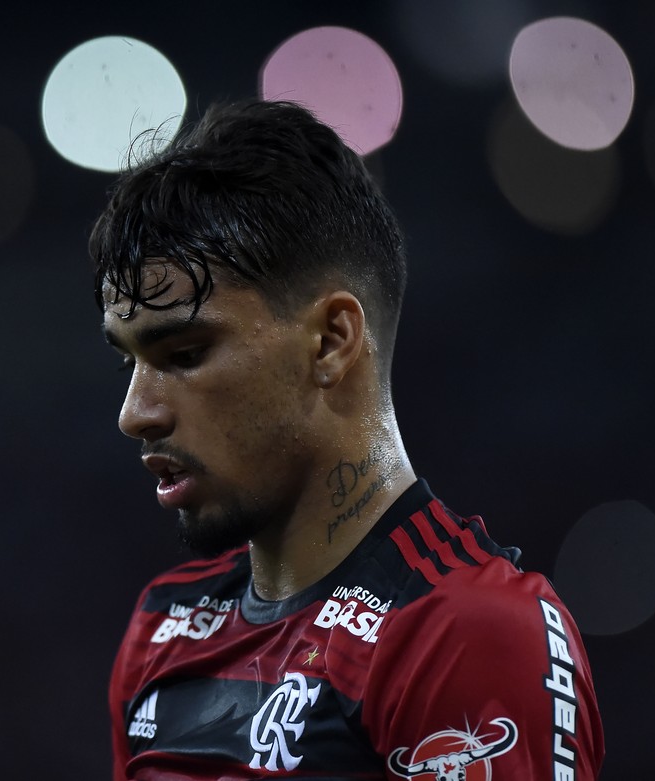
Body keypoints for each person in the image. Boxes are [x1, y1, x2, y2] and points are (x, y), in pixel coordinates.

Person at [91, 99, 604, 780]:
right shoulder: (163, 627)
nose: (136, 413)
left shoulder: (462, 632)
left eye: (185, 354)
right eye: (129, 363)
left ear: (332, 341)